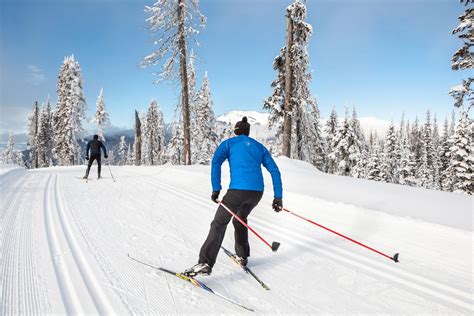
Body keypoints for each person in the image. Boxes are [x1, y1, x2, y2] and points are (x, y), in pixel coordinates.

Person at [184, 117, 283, 277]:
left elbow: (216, 162)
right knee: (240, 218)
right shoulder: (259, 147)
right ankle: (242, 256)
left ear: (236, 131)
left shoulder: (229, 144)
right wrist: (278, 197)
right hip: (256, 193)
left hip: (237, 191)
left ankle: (205, 263)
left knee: (219, 223)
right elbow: (274, 170)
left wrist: (216, 189)